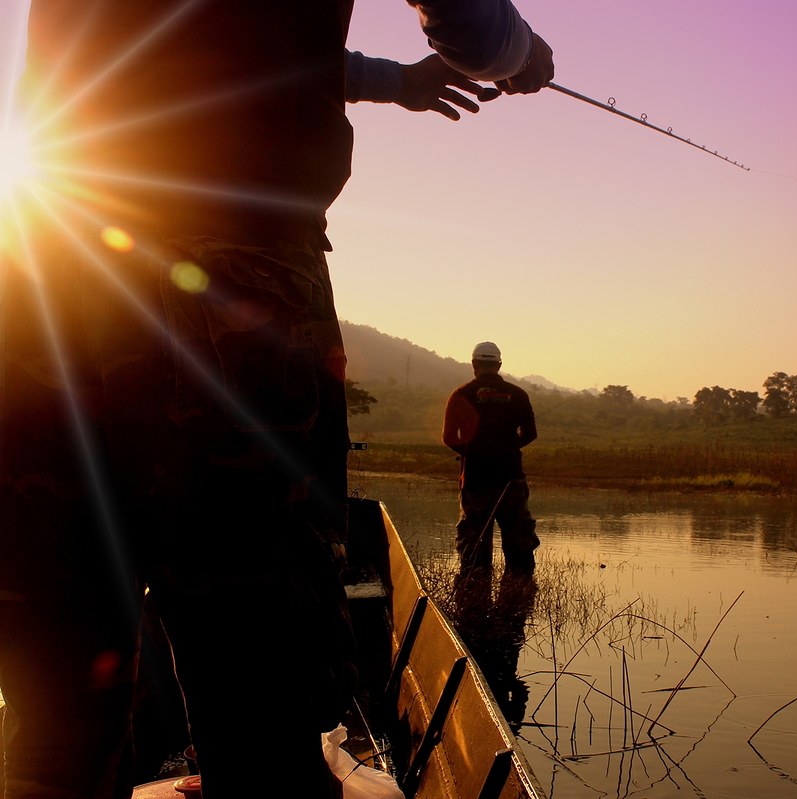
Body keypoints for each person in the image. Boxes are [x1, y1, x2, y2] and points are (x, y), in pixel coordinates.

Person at [0, 2, 554, 798]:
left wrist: (392, 81)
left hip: (40, 277)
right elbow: (469, 24)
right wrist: (520, 53)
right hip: (232, 278)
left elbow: (190, 42)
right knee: (258, 709)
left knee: (54, 724)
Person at [441, 342, 539, 577]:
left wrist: (473, 452)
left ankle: (474, 605)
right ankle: (518, 604)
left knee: (474, 554)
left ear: (474, 365)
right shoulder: (518, 395)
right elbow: (530, 434)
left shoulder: (460, 394)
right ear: (499, 365)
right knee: (519, 551)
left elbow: (448, 438)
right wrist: (505, 449)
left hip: (475, 481)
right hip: (511, 480)